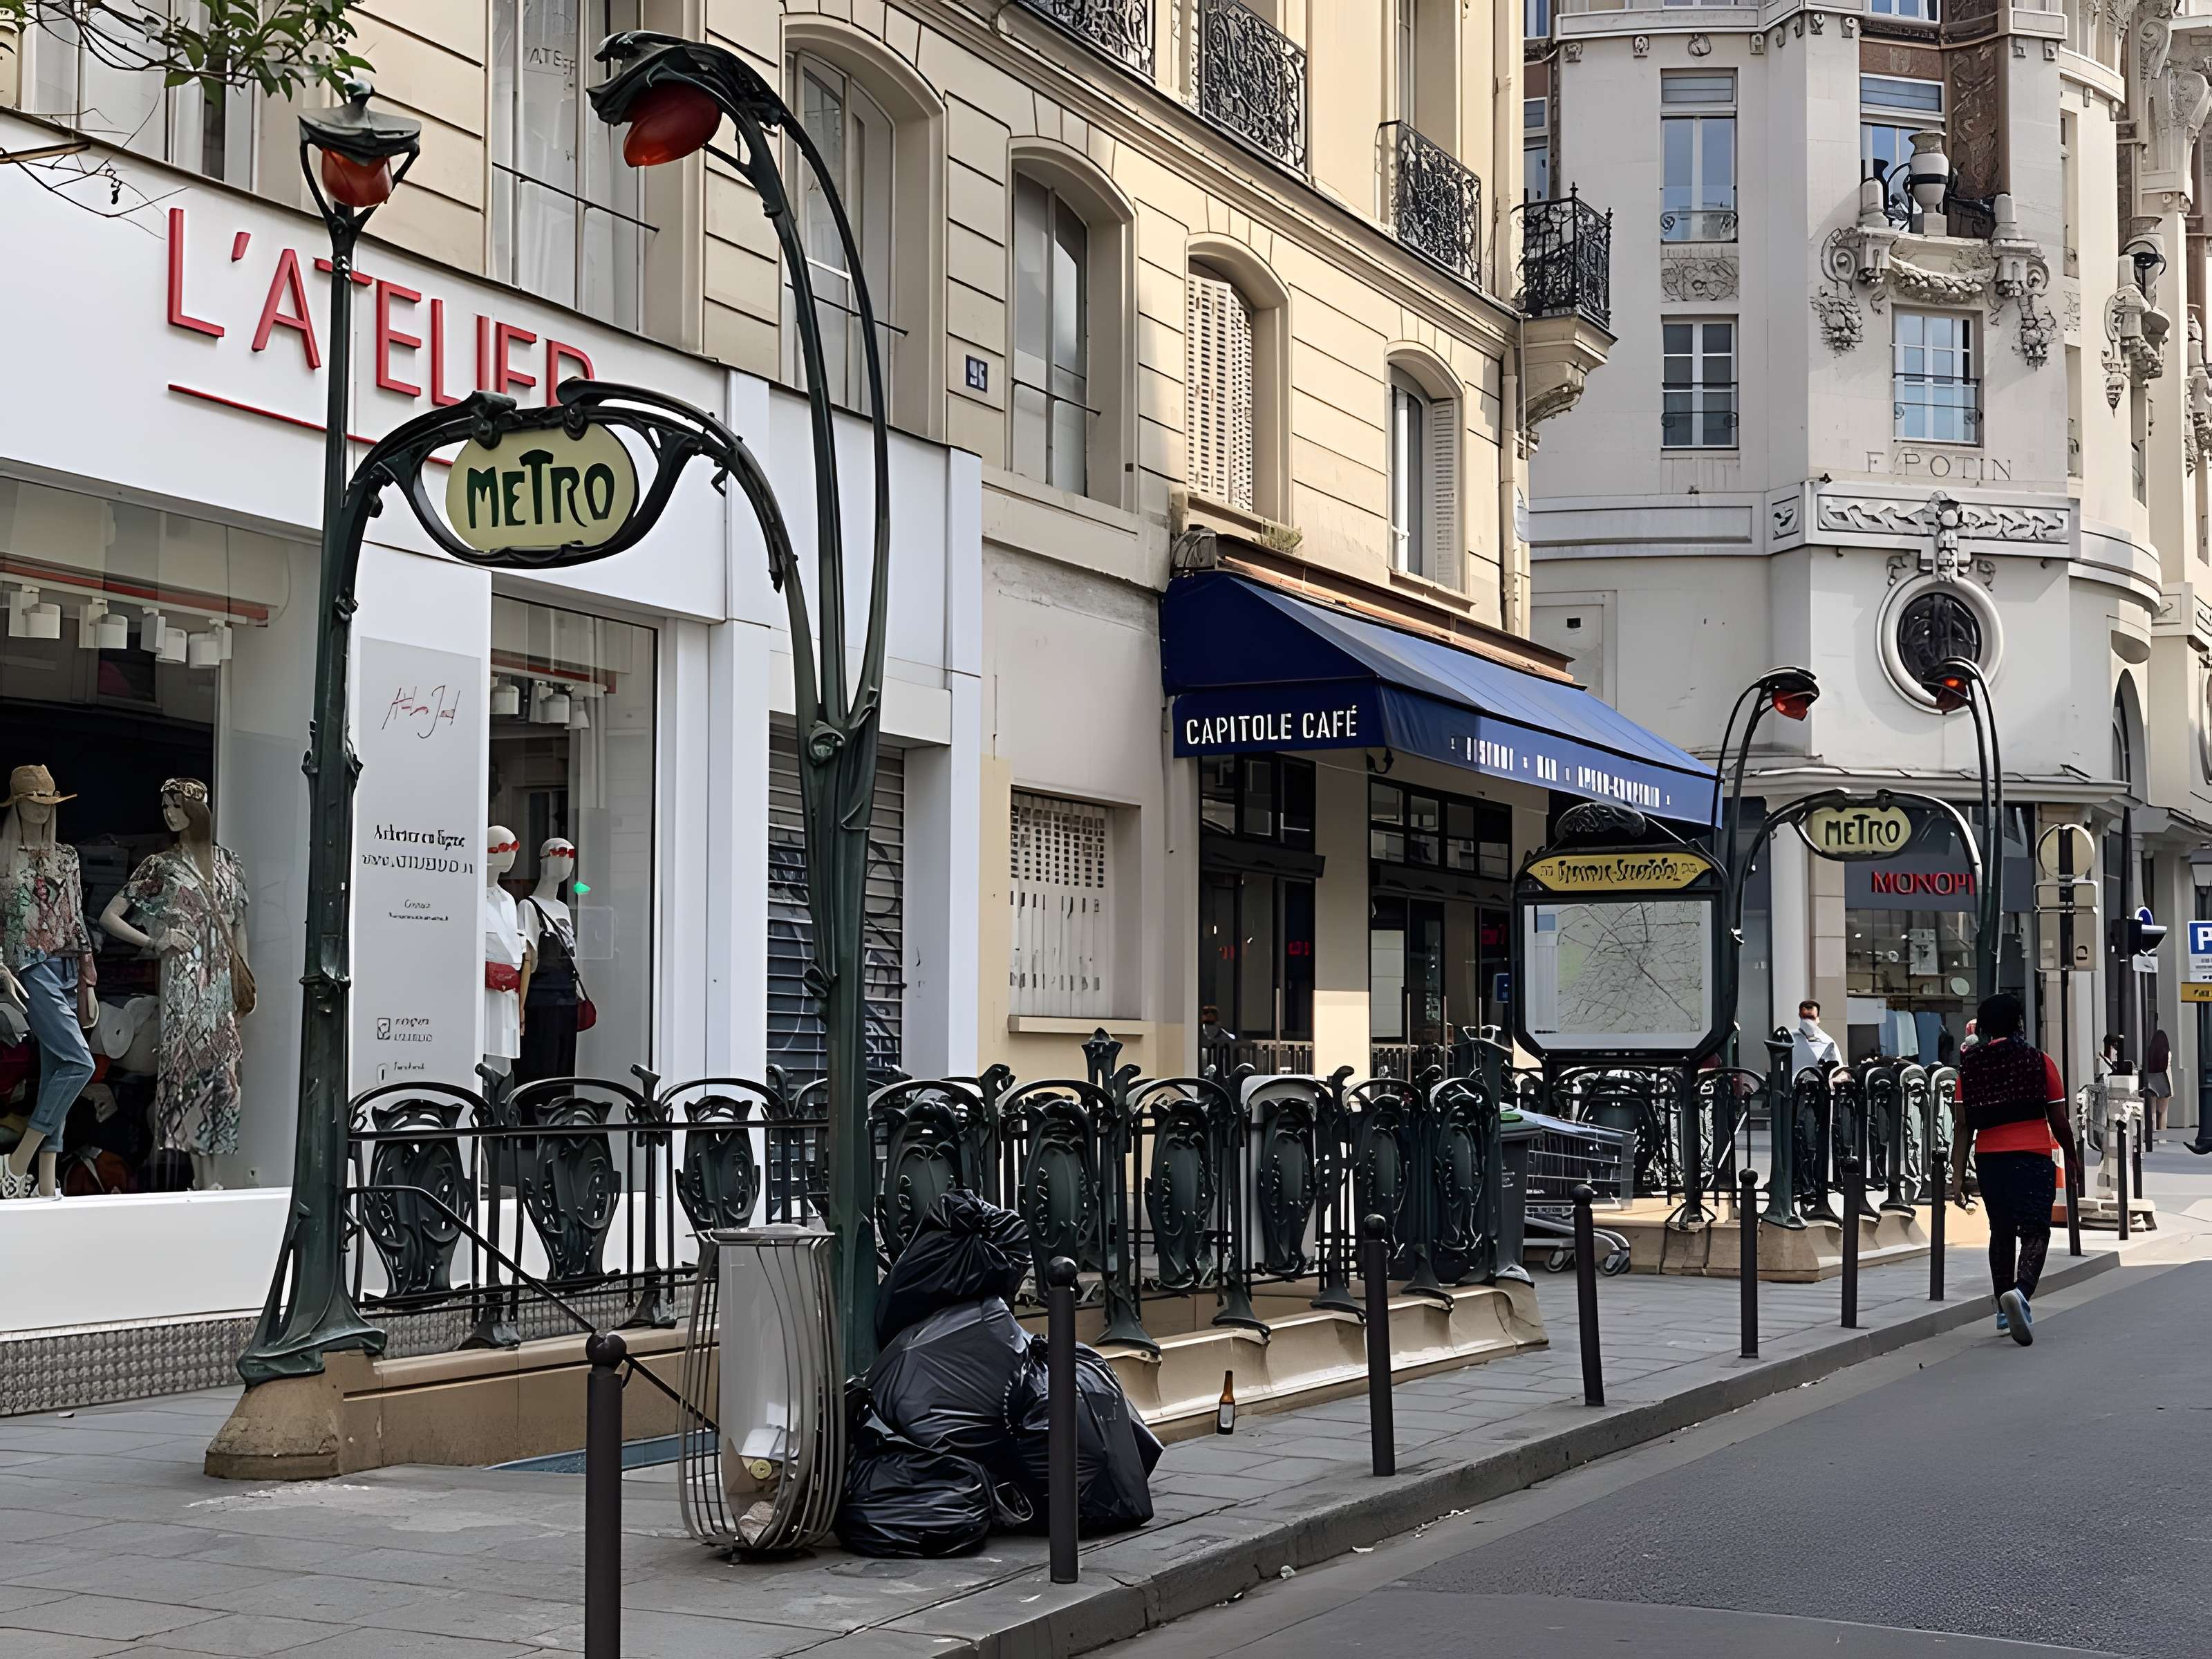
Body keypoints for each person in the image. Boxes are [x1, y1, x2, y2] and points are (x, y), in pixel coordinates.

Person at [1951, 992, 2081, 1347]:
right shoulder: (2039, 1061)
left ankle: (2000, 1306)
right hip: (2033, 1155)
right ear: (2019, 1023)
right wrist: (2072, 1156)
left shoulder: (1970, 1067)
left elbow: (1963, 1126)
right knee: (2036, 1232)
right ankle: (2021, 1294)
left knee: (2002, 1231)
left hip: (1990, 1157)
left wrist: (1957, 1176)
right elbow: (2058, 1118)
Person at [1791, 999, 1840, 1078]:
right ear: (1800, 1015)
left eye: (1811, 1018)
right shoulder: (1790, 1039)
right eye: (1805, 1017)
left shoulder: (1827, 1042)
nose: (1808, 1022)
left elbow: (1836, 1071)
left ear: (1818, 1017)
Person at [2144, 1027, 2171, 1145]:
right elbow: (2168, 1069)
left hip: (2151, 1079)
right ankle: (2162, 1137)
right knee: (2164, 1111)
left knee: (2152, 1110)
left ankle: (2152, 1135)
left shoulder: (2149, 1051)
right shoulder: (2167, 1053)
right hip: (2162, 1080)